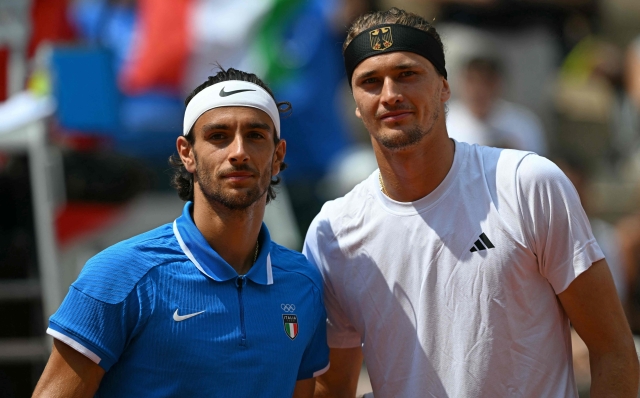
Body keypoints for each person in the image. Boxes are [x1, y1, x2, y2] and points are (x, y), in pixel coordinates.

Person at [303, 7, 638, 397]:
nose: (390, 94)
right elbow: (333, 386)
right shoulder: (333, 232)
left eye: (407, 74)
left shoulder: (528, 184)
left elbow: (613, 350)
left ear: (444, 87)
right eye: (371, 81)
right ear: (356, 103)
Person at [33, 67, 330, 397]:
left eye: (255, 135)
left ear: (278, 157)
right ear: (187, 153)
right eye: (218, 136)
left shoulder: (303, 282)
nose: (238, 152)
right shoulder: (117, 275)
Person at [446, 56, 548, 155]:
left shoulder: (524, 124)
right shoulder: (445, 122)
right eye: (471, 81)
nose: (477, 90)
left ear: (498, 84)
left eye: (485, 81)